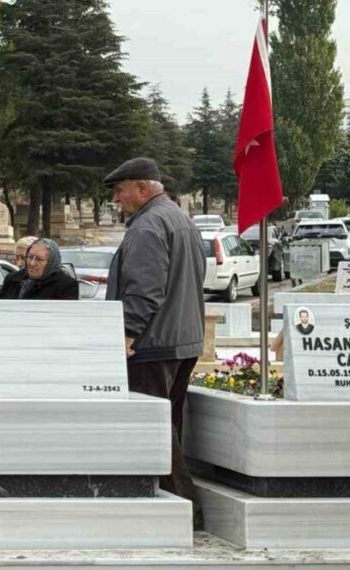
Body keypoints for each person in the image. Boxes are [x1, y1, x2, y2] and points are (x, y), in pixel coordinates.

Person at [104, 157, 206, 510]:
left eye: (120, 191)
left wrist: (127, 334)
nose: (117, 199)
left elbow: (144, 290)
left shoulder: (148, 226)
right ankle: (171, 504)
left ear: (143, 188)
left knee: (156, 430)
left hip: (153, 345)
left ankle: (182, 506)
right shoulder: (180, 219)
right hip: (181, 339)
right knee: (169, 425)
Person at [0, 238, 79, 300]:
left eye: (39, 259)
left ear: (51, 262)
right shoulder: (12, 280)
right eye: (30, 257)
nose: (32, 263)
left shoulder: (66, 285)